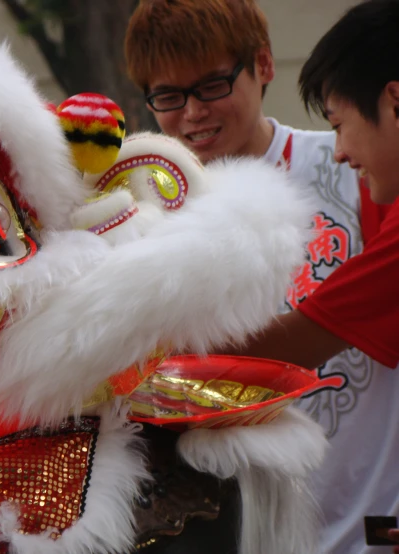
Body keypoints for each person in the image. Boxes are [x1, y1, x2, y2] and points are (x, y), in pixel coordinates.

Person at [125, 1, 399, 553]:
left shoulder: (357, 169)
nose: (192, 114)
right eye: (169, 98)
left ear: (264, 65)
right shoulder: (138, 219)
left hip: (370, 524)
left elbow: (305, 338)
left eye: (211, 86)